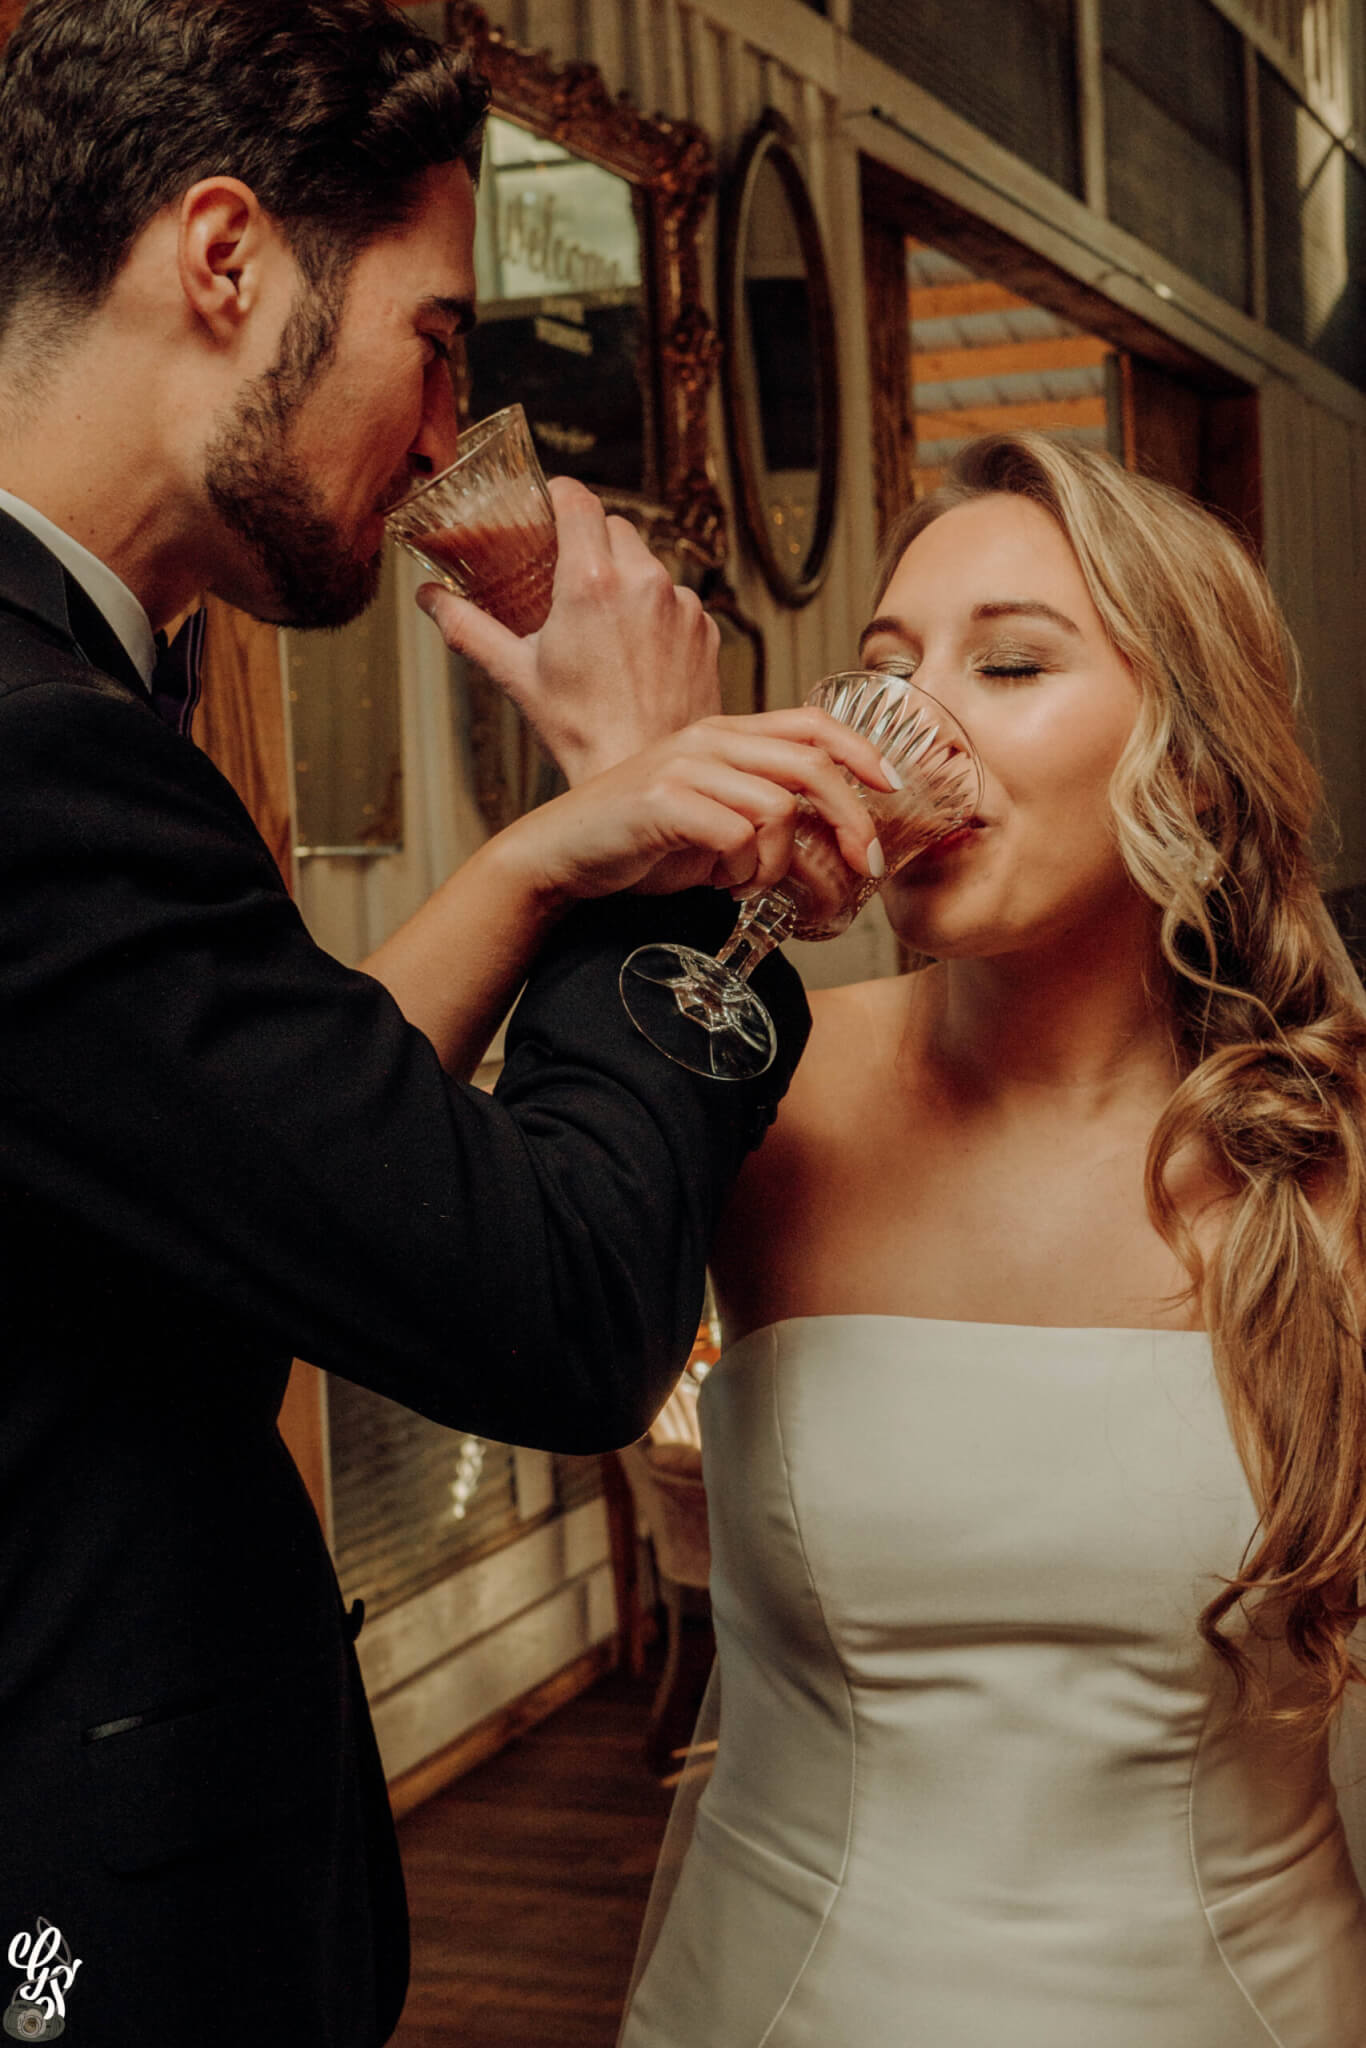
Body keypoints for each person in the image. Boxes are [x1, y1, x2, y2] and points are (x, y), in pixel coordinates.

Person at [0, 3, 893, 2043]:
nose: (442, 431)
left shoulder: (66, 693)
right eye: (435, 338)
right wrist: (667, 827)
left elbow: (246, 1129)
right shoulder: (40, 761)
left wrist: (541, 855)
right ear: (223, 259)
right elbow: (558, 1307)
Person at [618, 430, 1366, 2048]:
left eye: (1008, 663)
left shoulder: (1331, 1146)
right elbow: (337, 1212)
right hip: (783, 2000)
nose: (907, 730)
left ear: (1191, 760)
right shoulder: (763, 1082)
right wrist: (594, 850)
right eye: (880, 673)